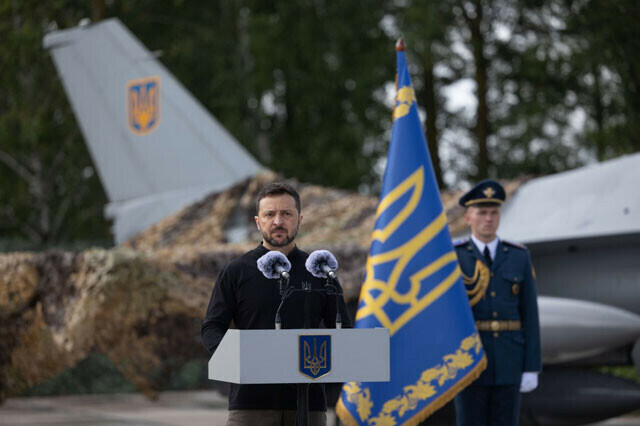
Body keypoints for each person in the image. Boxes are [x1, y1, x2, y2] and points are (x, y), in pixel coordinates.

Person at [201, 182, 352, 426]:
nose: (278, 221)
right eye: (270, 214)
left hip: (309, 405)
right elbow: (211, 329)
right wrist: (238, 359)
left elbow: (344, 331)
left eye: (286, 214)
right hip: (250, 404)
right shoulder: (236, 271)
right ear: (258, 221)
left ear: (299, 219)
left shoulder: (321, 270)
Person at [453, 179, 541, 426]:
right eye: (481, 212)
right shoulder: (454, 257)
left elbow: (530, 314)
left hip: (509, 361)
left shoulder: (518, 256)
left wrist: (531, 366)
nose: (488, 218)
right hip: (469, 362)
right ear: (468, 218)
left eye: (494, 212)